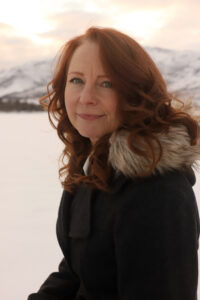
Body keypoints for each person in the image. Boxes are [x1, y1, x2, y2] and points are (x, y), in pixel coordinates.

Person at [28, 27, 200, 300]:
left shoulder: (158, 192)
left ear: (135, 93)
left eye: (106, 83)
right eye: (76, 80)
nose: (86, 97)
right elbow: (77, 272)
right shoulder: (91, 165)